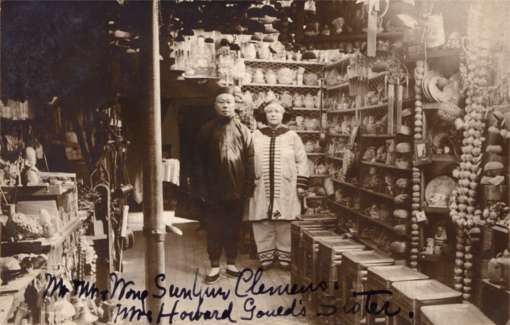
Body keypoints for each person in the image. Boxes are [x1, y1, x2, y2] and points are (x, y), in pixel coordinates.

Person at [194, 90, 254, 284]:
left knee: (234, 227)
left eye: (228, 102)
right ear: (215, 106)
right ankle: (213, 265)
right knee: (213, 227)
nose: (225, 105)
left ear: (235, 105)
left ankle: (230, 262)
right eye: (221, 102)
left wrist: (248, 187)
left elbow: (250, 160)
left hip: (237, 189)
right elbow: (198, 161)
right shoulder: (206, 129)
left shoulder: (243, 130)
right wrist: (201, 187)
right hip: (213, 190)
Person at [247, 100, 309, 270]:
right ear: (264, 115)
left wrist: (301, 184)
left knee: (285, 222)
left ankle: (284, 257)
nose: (273, 114)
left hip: (287, 186)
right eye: (269, 112)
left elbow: (302, 161)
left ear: (283, 115)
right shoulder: (255, 136)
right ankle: (265, 256)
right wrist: (250, 180)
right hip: (260, 186)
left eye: (277, 111)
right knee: (262, 221)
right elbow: (248, 160)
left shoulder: (292, 136)